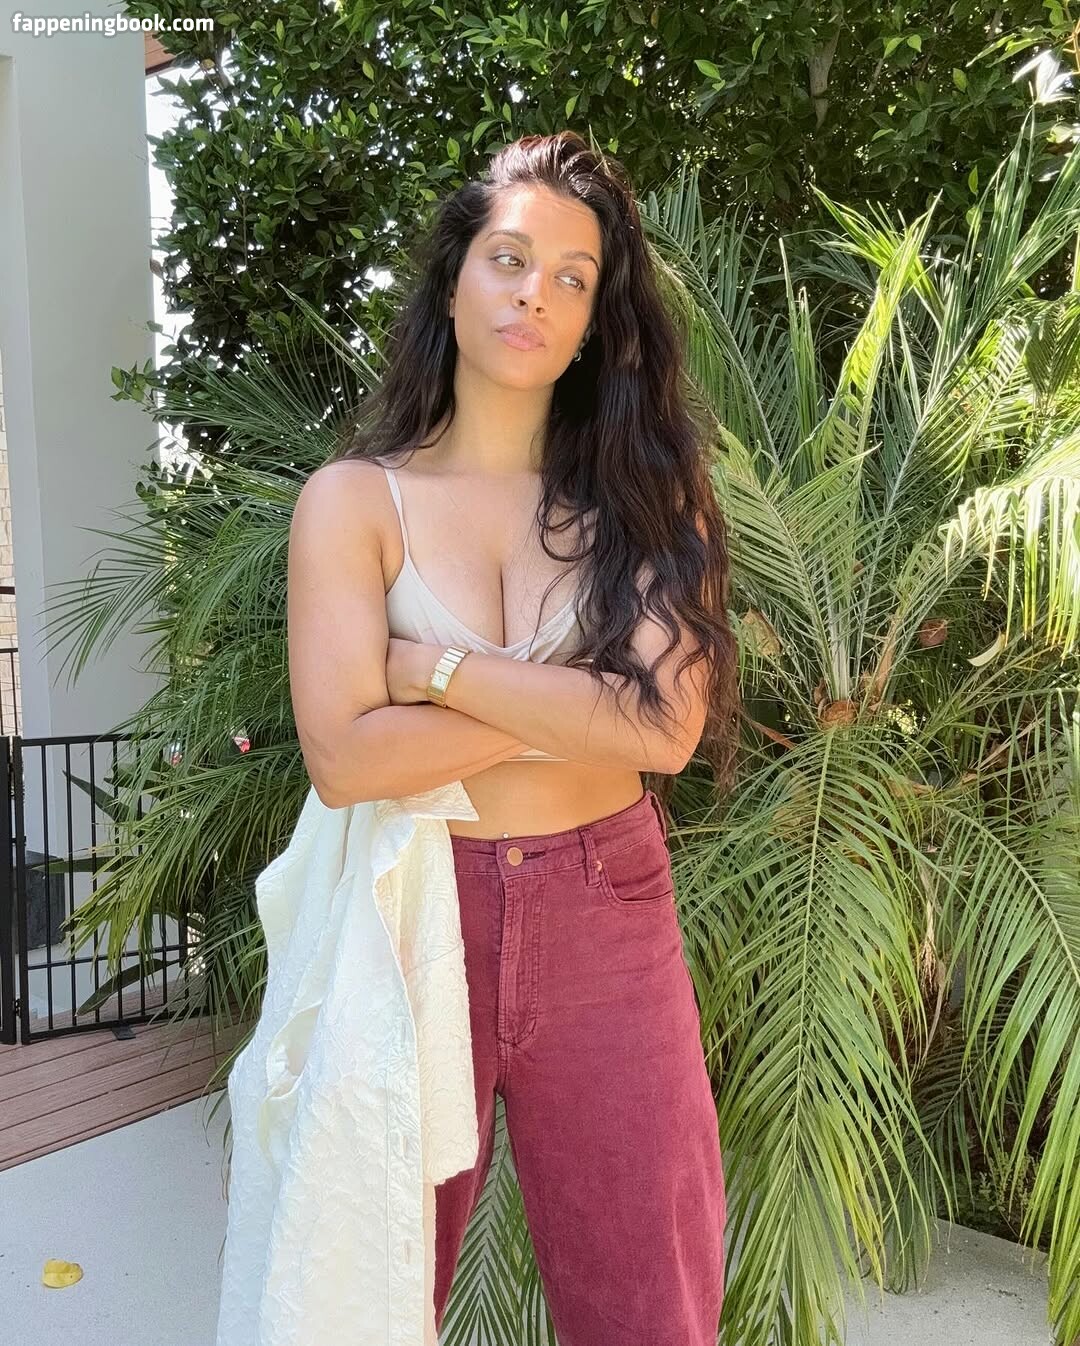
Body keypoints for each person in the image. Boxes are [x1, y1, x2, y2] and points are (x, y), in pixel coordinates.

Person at [286, 130, 741, 1345]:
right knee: (369, 1293)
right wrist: (577, 709)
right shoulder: (354, 501)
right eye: (509, 258)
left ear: (592, 323)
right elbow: (344, 759)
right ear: (455, 280)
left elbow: (666, 728)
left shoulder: (647, 493)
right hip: (413, 909)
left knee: (650, 1300)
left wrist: (431, 675)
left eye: (572, 277)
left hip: (608, 909)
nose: (535, 292)